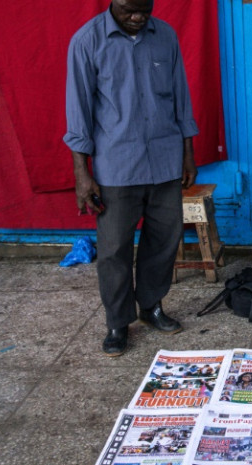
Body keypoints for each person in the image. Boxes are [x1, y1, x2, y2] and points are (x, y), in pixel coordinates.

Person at [64, 0, 199, 356]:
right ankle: (117, 322)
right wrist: (83, 173)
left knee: (164, 240)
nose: (138, 17)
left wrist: (187, 153)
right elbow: (78, 111)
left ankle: (151, 305)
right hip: (116, 165)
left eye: (145, 9)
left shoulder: (165, 36)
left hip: (166, 160)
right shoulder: (87, 41)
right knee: (113, 250)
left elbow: (181, 98)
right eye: (129, 10)